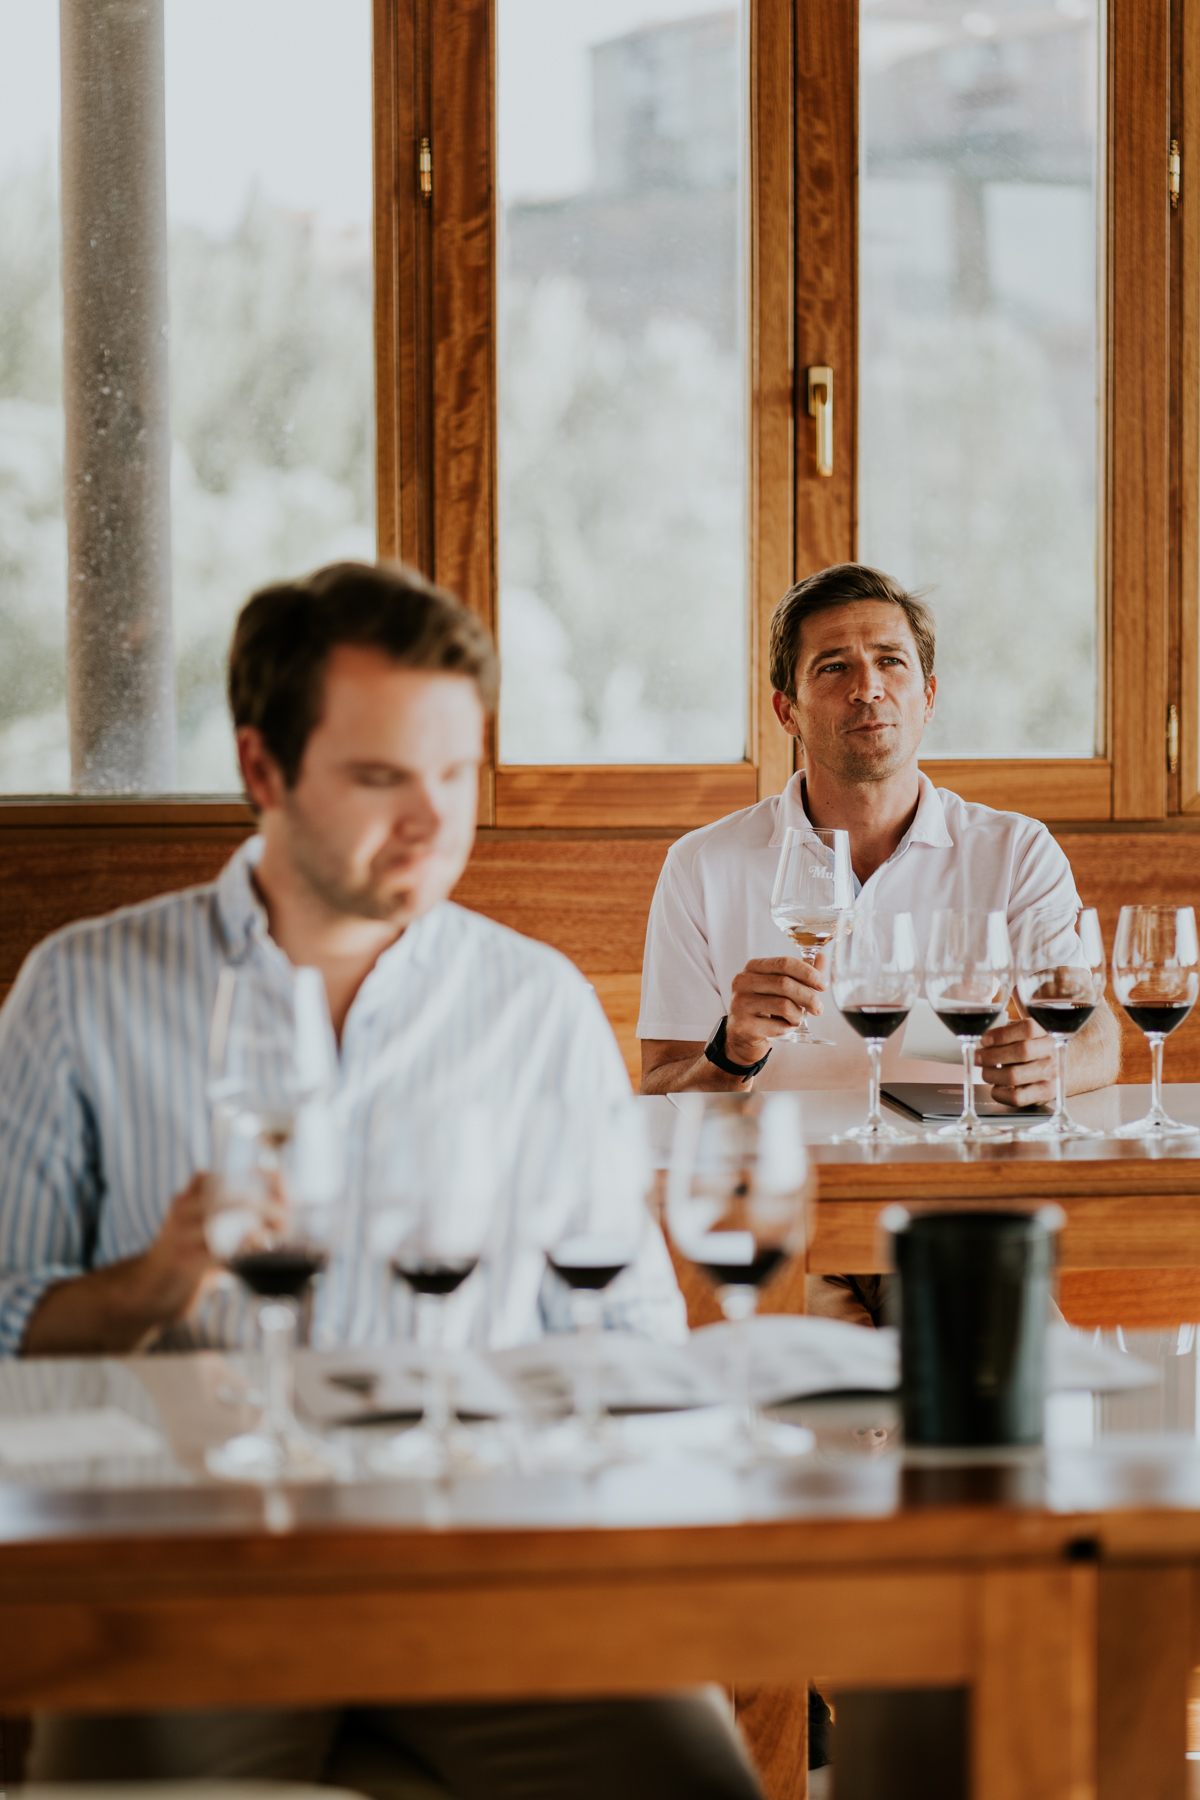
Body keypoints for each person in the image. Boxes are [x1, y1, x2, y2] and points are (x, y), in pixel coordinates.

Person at [0, 560, 763, 1800]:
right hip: (191, 1577)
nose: (432, 820)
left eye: (455, 773)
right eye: (380, 777)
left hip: (487, 1570)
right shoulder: (82, 993)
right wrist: (147, 1288)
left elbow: (626, 1333)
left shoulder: (537, 1005)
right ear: (263, 770)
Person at [638, 563, 1120, 1329]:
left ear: (928, 697)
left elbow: (1097, 1036)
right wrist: (732, 1052)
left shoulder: (1014, 850)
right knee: (822, 1393)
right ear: (787, 710)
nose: (868, 687)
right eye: (834, 667)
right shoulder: (702, 864)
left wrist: (1050, 1064)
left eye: (891, 661)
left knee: (1003, 1378)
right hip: (776, 1223)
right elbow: (662, 1092)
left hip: (949, 1211)